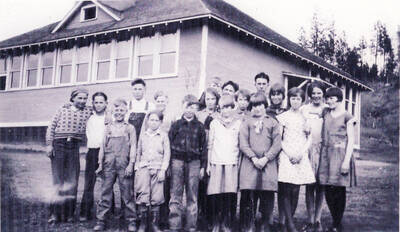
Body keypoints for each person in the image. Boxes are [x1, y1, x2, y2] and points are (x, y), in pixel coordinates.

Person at [46, 88, 92, 224]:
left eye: (85, 98)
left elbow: (101, 110)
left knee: (72, 180)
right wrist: (49, 144)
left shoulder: (88, 111)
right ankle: (54, 213)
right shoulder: (62, 109)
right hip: (58, 144)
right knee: (58, 180)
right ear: (72, 98)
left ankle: (69, 213)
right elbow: (51, 127)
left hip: (74, 146)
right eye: (80, 98)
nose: (82, 101)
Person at [239, 92, 282, 232]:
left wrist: (265, 158)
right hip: (250, 163)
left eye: (260, 105)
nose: (257, 108)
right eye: (254, 106)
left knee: (267, 194)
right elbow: (243, 143)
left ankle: (265, 224)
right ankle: (248, 225)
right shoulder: (247, 122)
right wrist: (253, 158)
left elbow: (277, 144)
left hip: (267, 163)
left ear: (265, 106)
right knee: (249, 194)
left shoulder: (272, 122)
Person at [93, 99, 137, 232]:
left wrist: (131, 164)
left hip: (124, 163)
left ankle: (131, 220)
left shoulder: (130, 128)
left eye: (121, 110)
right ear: (112, 112)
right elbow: (102, 146)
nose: (119, 113)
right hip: (109, 163)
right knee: (105, 192)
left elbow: (134, 146)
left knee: (127, 193)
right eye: (116, 110)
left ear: (126, 111)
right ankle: (101, 220)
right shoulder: (108, 127)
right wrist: (100, 163)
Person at [276, 87, 315, 232]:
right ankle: (290, 225)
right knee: (286, 189)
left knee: (295, 189)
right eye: (293, 98)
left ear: (302, 100)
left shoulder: (306, 118)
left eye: (298, 99)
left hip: (301, 155)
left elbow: (309, 138)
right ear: (289, 99)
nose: (295, 101)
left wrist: (301, 153)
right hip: (287, 155)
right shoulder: (283, 116)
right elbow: (279, 139)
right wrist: (289, 153)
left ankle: (288, 220)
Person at [318, 87, 357, 232]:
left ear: (339, 99)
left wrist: (346, 161)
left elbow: (351, 139)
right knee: (328, 188)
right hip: (326, 154)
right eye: (327, 98)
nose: (329, 101)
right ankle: (335, 219)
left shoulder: (347, 116)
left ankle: (337, 222)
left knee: (339, 189)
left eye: (332, 98)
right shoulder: (325, 112)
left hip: (340, 155)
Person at [168, 94, 207, 232]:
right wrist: (169, 165)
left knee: (192, 195)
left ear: (196, 109)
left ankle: (191, 226)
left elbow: (204, 148)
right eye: (187, 106)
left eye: (193, 107)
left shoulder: (200, 127)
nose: (190, 109)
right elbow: (169, 145)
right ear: (182, 107)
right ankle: (174, 225)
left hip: (194, 163)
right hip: (177, 162)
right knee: (176, 194)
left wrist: (203, 166)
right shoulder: (176, 125)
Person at [206, 95, 242, 232]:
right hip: (216, 162)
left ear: (233, 108)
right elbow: (210, 144)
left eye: (229, 107)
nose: (226, 111)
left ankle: (226, 223)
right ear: (219, 109)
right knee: (215, 193)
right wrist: (209, 164)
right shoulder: (214, 123)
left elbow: (239, 145)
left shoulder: (238, 124)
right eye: (223, 108)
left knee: (229, 194)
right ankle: (216, 222)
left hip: (231, 162)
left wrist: (238, 164)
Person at [135, 110, 171, 232]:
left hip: (158, 168)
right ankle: (143, 224)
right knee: (143, 194)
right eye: (151, 120)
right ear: (147, 121)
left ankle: (154, 224)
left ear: (160, 122)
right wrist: (137, 167)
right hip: (143, 168)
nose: (153, 122)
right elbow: (138, 152)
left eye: (156, 120)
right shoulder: (143, 135)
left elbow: (167, 154)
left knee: (156, 196)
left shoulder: (164, 136)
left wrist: (163, 170)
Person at [300, 82, 326, 232]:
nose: (316, 96)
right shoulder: (304, 109)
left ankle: (318, 219)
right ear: (310, 94)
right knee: (310, 186)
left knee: (321, 186)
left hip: (322, 150)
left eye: (319, 93)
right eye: (313, 93)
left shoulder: (327, 109)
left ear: (323, 94)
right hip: (308, 150)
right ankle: (310, 220)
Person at [79, 92, 108, 222]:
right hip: (92, 151)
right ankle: (85, 212)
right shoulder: (88, 117)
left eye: (101, 102)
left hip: (107, 152)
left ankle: (108, 212)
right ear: (92, 104)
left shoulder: (110, 118)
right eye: (96, 102)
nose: (98, 105)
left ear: (106, 103)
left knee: (108, 183)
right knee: (89, 182)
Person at [197, 87, 220, 230]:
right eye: (207, 99)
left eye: (212, 99)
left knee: (212, 185)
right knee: (201, 184)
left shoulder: (220, 115)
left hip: (215, 152)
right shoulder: (199, 115)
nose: (210, 102)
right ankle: (201, 215)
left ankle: (212, 216)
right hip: (201, 152)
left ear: (217, 100)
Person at [265, 83, 287, 230]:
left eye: (279, 94)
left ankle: (283, 220)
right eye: (273, 94)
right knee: (269, 186)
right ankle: (269, 219)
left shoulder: (286, 112)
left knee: (283, 187)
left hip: (284, 152)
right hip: (270, 152)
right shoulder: (267, 111)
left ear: (283, 96)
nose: (276, 97)